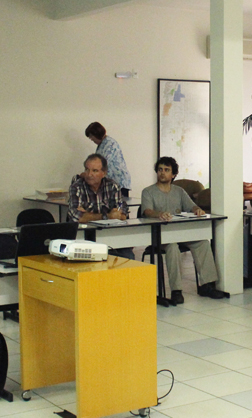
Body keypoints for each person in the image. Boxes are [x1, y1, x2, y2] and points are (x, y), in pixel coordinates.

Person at [140, 156, 226, 303]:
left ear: (173, 174)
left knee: (202, 243)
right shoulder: (148, 191)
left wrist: (197, 209)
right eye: (160, 169)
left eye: (166, 170)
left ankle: (207, 285)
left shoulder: (179, 191)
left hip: (180, 233)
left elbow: (191, 206)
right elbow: (147, 211)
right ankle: (176, 290)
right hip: (159, 236)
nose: (162, 173)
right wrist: (159, 214)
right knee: (173, 248)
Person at [67, 154, 133, 260]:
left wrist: (89, 215)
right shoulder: (77, 187)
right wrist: (107, 216)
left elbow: (122, 214)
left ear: (104, 173)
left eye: (95, 171)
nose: (89, 174)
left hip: (111, 236)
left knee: (128, 258)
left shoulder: (112, 186)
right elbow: (77, 217)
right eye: (87, 170)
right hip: (84, 239)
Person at [85, 122, 131, 200]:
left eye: (92, 137)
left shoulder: (110, 144)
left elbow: (102, 164)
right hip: (108, 183)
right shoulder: (102, 144)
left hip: (118, 182)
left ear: (97, 134)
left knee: (118, 208)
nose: (91, 139)